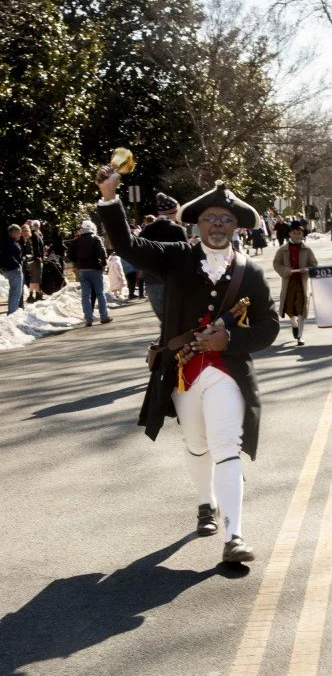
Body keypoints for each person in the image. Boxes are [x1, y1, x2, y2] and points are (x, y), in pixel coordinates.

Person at [96, 172, 280, 564]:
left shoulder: (251, 272)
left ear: (236, 226)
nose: (218, 225)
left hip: (228, 372)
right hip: (182, 372)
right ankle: (204, 503)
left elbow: (270, 326)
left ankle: (234, 536)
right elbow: (127, 245)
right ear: (197, 223)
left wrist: (230, 340)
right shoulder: (176, 256)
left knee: (227, 444)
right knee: (197, 444)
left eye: (226, 220)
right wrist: (110, 197)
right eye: (211, 218)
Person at [138, 193, 187, 323]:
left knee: (165, 321)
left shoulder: (146, 230)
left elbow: (139, 253)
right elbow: (185, 257)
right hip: (172, 281)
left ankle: (166, 341)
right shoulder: (177, 230)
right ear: (174, 212)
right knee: (176, 321)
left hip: (151, 280)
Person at [273, 219, 318, 345]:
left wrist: (307, 269)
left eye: (299, 233)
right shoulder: (283, 250)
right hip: (289, 283)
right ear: (290, 234)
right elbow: (276, 264)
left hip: (302, 283)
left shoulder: (307, 249)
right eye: (294, 233)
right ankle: (294, 324)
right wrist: (285, 270)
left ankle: (300, 336)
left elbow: (314, 264)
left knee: (301, 308)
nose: (297, 236)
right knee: (289, 308)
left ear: (303, 235)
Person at [67, 220, 113, 326]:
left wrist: (77, 262)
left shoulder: (76, 240)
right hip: (95, 268)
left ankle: (88, 318)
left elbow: (70, 255)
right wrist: (103, 263)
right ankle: (104, 316)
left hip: (82, 269)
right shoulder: (96, 238)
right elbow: (102, 252)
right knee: (100, 293)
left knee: (85, 295)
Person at [1, 224, 24, 315]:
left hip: (10, 270)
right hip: (14, 270)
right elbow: (9, 256)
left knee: (13, 292)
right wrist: (18, 265)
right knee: (16, 293)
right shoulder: (10, 243)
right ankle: (12, 313)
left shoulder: (9, 242)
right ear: (14, 233)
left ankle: (11, 312)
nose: (20, 235)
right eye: (19, 233)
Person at [26, 220, 45, 302]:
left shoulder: (37, 234)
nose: (37, 226)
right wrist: (39, 256)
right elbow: (36, 247)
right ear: (32, 226)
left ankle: (37, 294)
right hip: (35, 259)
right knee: (34, 277)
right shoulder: (34, 235)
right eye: (35, 225)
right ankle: (30, 296)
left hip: (36, 259)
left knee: (37, 278)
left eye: (37, 225)